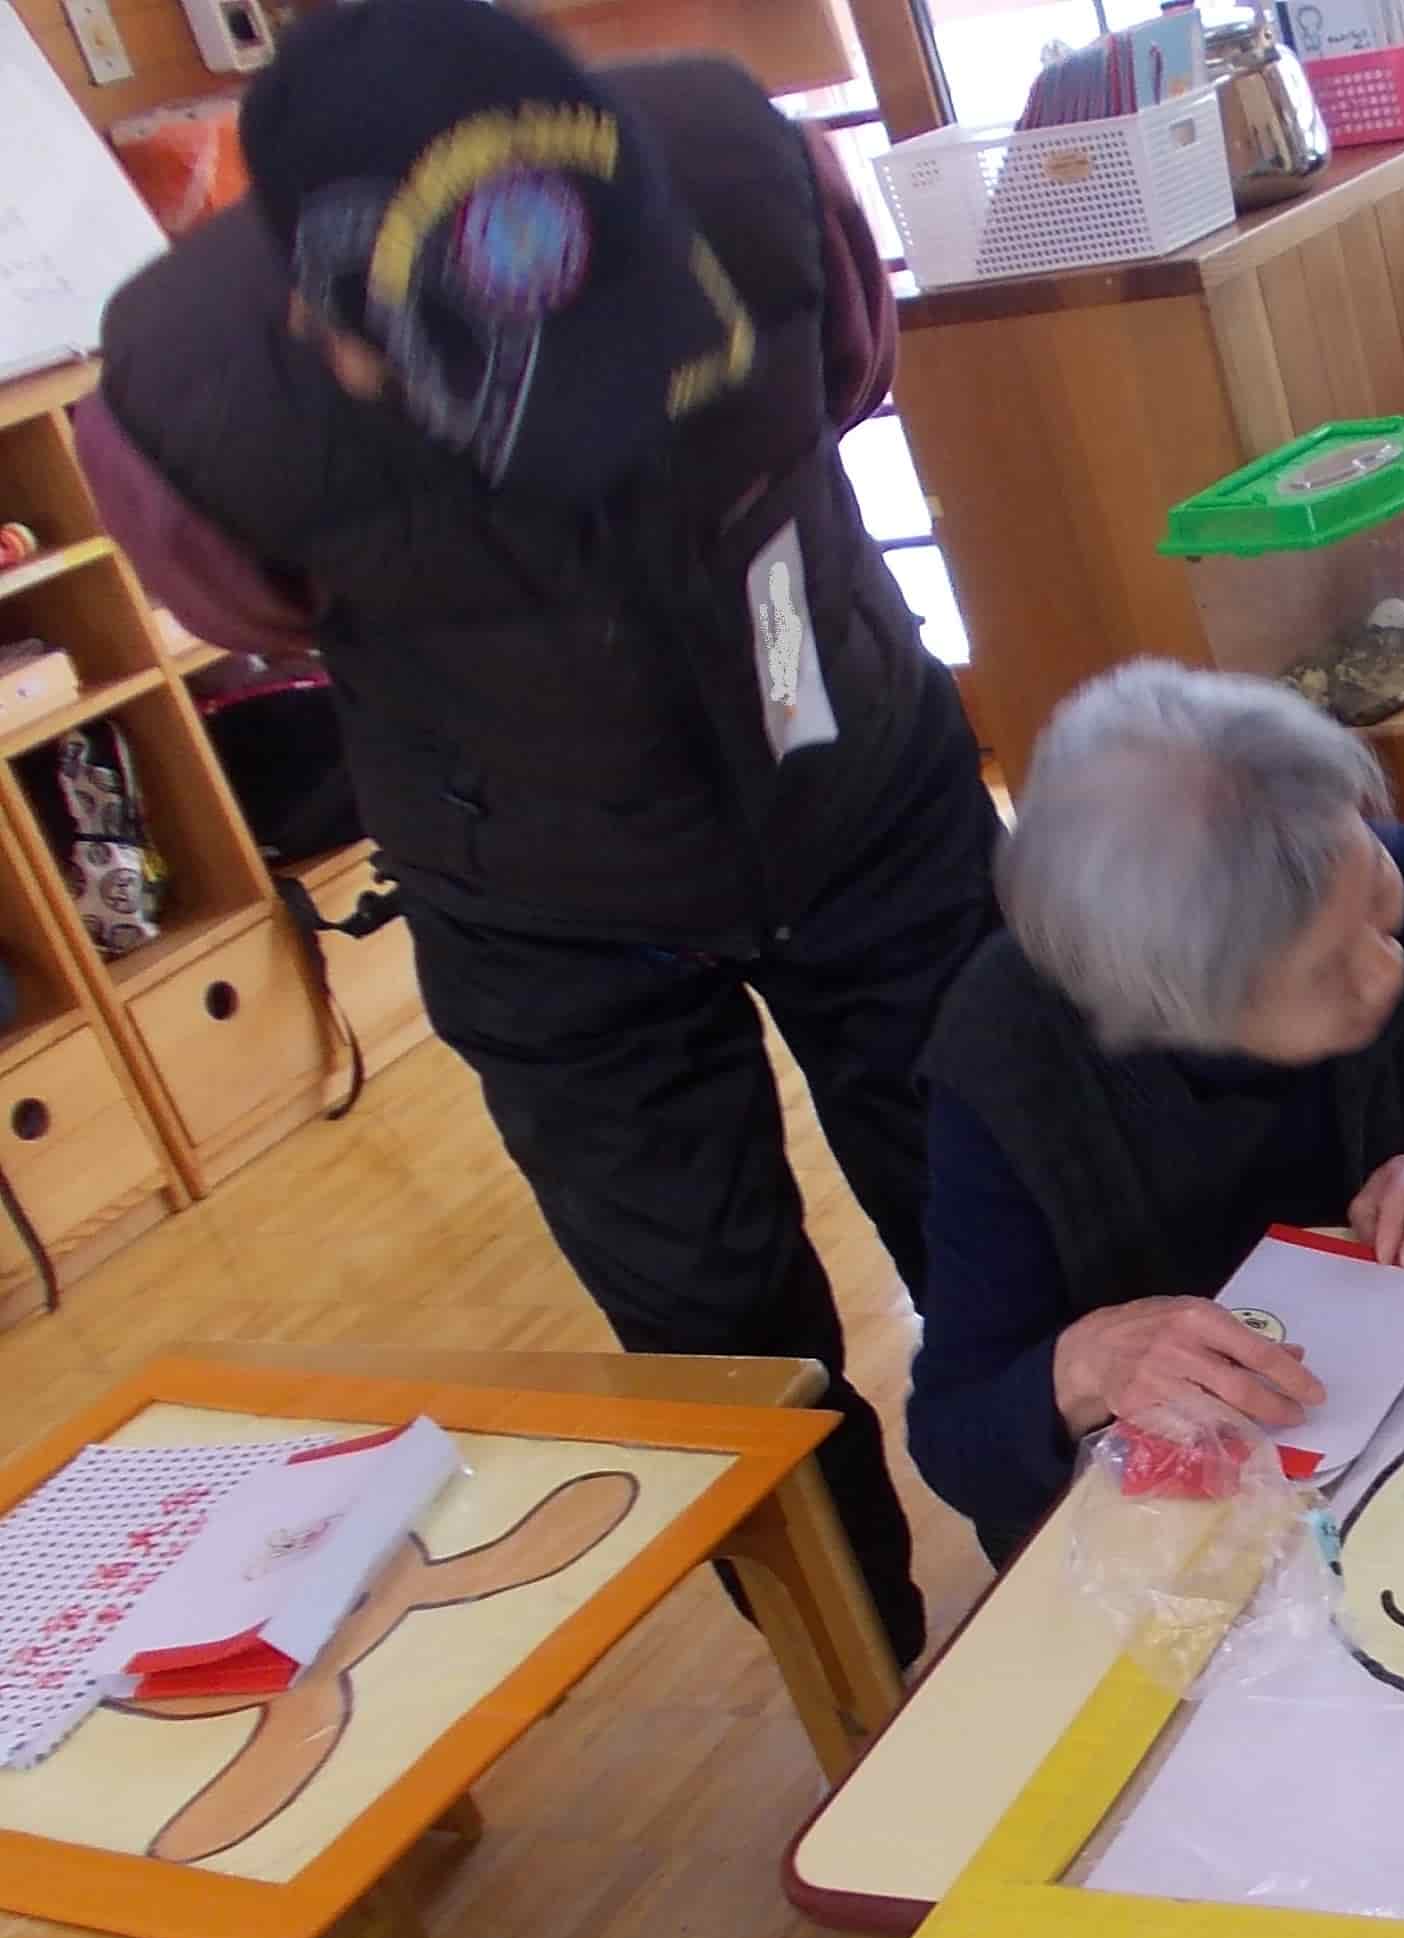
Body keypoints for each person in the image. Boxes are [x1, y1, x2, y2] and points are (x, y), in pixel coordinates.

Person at [81, 0, 1001, 1663]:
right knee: (714, 1331)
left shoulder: (753, 169)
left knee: (1004, 1202)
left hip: (862, 792)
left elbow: (843, 376)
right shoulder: (179, 393)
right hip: (546, 905)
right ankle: (868, 1687)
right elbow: (259, 607)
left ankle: (1117, 1596)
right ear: (314, 317)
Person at [907, 661, 1404, 1565]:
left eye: (1381, 908)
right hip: (1181, 1538)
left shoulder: (1382, 868)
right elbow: (957, 1436)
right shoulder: (1006, 1061)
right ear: (1183, 1006)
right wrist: (1084, 1369)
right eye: (1328, 971)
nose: (1385, 967)